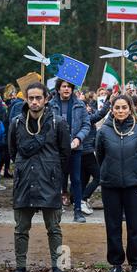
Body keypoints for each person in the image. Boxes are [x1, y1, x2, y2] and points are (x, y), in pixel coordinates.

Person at [7, 82, 71, 272]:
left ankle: (58, 267)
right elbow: (12, 151)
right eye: (31, 98)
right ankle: (20, 268)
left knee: (54, 228)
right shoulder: (17, 122)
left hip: (49, 183)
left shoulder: (57, 122)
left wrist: (53, 174)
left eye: (38, 98)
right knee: (20, 229)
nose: (34, 102)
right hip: (24, 182)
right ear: (26, 99)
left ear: (46, 99)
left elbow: (64, 154)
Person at [95, 95, 137, 272]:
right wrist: (110, 172)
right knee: (113, 226)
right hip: (111, 186)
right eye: (117, 107)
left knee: (135, 227)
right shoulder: (103, 131)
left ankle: (135, 265)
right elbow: (100, 156)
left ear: (130, 108)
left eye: (124, 107)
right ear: (112, 109)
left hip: (134, 185)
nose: (120, 111)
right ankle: (116, 265)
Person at [49, 79, 90, 222]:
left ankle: (78, 211)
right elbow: (46, 125)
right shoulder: (50, 105)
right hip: (56, 149)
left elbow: (86, 125)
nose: (66, 89)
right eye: (63, 86)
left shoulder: (80, 105)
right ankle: (55, 210)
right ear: (58, 89)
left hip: (75, 148)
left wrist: (78, 138)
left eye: (69, 87)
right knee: (57, 179)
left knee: (76, 180)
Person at [80, 94, 113, 215]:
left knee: (84, 178)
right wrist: (109, 101)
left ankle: (81, 200)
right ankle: (83, 199)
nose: (89, 108)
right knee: (99, 177)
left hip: (83, 152)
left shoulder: (82, 117)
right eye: (86, 106)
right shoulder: (85, 118)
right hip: (87, 152)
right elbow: (100, 114)